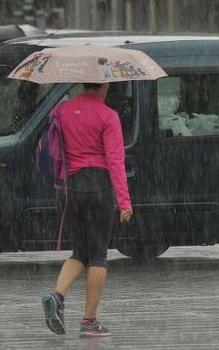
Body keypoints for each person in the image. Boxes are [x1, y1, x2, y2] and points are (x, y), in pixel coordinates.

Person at [41, 82, 133, 338]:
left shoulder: (64, 111)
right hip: (99, 187)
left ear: (84, 83)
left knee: (79, 252)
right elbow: (115, 160)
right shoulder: (108, 115)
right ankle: (89, 321)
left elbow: (57, 153)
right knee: (98, 255)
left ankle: (56, 295)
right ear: (104, 85)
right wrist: (125, 201)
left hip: (72, 188)